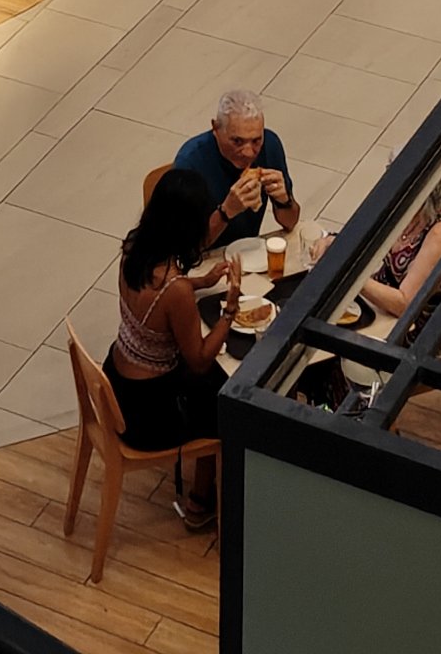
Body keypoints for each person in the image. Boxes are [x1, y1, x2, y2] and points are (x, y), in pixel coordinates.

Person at [107, 164, 242, 487]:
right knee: (228, 402)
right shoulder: (175, 290)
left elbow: (156, 297)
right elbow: (199, 360)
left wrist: (201, 282)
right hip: (149, 412)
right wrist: (231, 308)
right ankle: (201, 497)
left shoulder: (133, 247)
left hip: (117, 380)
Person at [178, 90, 304, 241]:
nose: (248, 153)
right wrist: (226, 212)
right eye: (237, 141)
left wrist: (285, 201)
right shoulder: (190, 164)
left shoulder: (270, 145)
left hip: (247, 248)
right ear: (216, 129)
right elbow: (186, 246)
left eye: (256, 141)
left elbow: (290, 223)